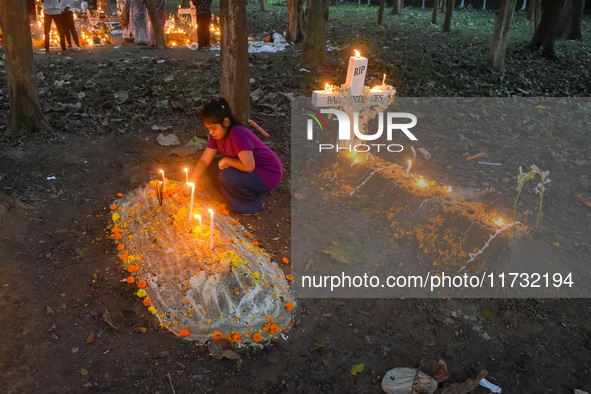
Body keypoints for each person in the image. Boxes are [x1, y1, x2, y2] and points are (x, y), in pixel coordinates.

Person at [190, 98, 283, 215]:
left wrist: (227, 160)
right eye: (209, 129)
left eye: (213, 128)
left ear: (226, 122)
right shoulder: (216, 137)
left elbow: (249, 166)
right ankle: (237, 197)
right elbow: (204, 161)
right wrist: (191, 182)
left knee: (226, 175)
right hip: (250, 170)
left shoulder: (238, 133)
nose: (211, 133)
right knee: (214, 167)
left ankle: (253, 204)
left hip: (267, 174)